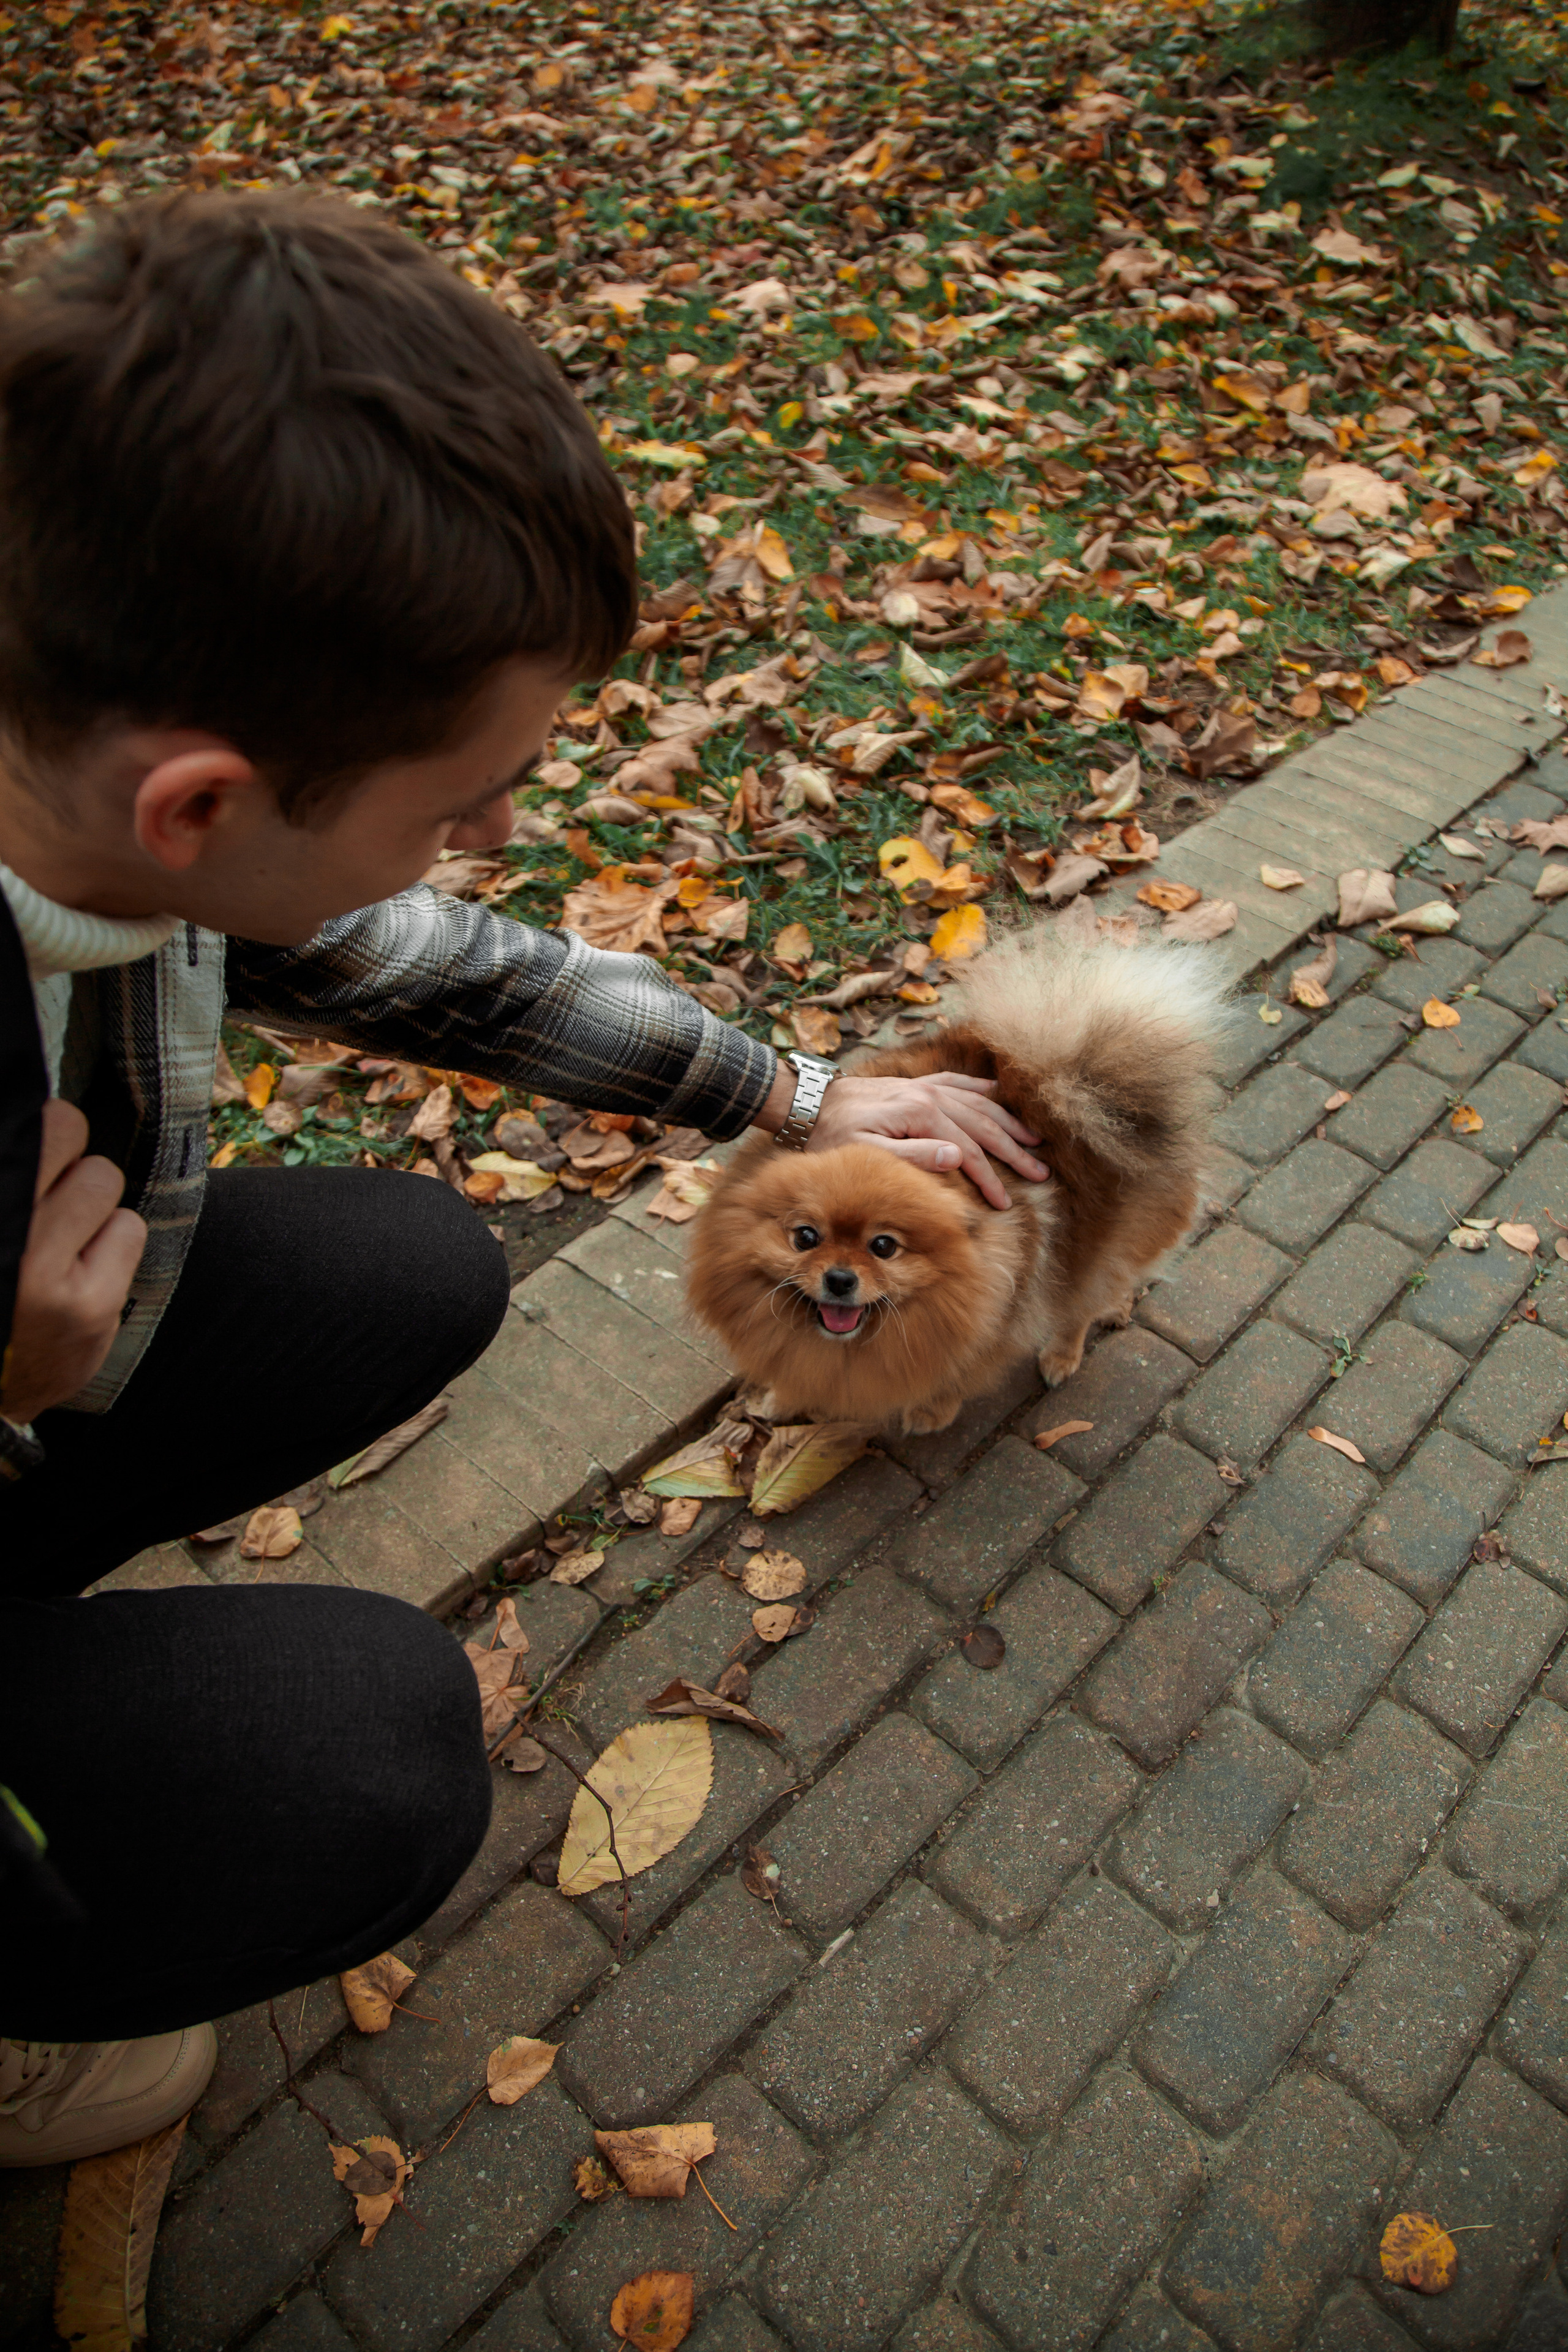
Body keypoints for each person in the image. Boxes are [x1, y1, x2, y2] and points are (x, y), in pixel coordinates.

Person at [0, 192, 1049, 2168]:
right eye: (458, 800)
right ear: (204, 805)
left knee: (413, 1263)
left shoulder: (89, 796)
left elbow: (419, 961)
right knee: (374, 1754)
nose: (494, 833)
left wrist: (799, 1091)